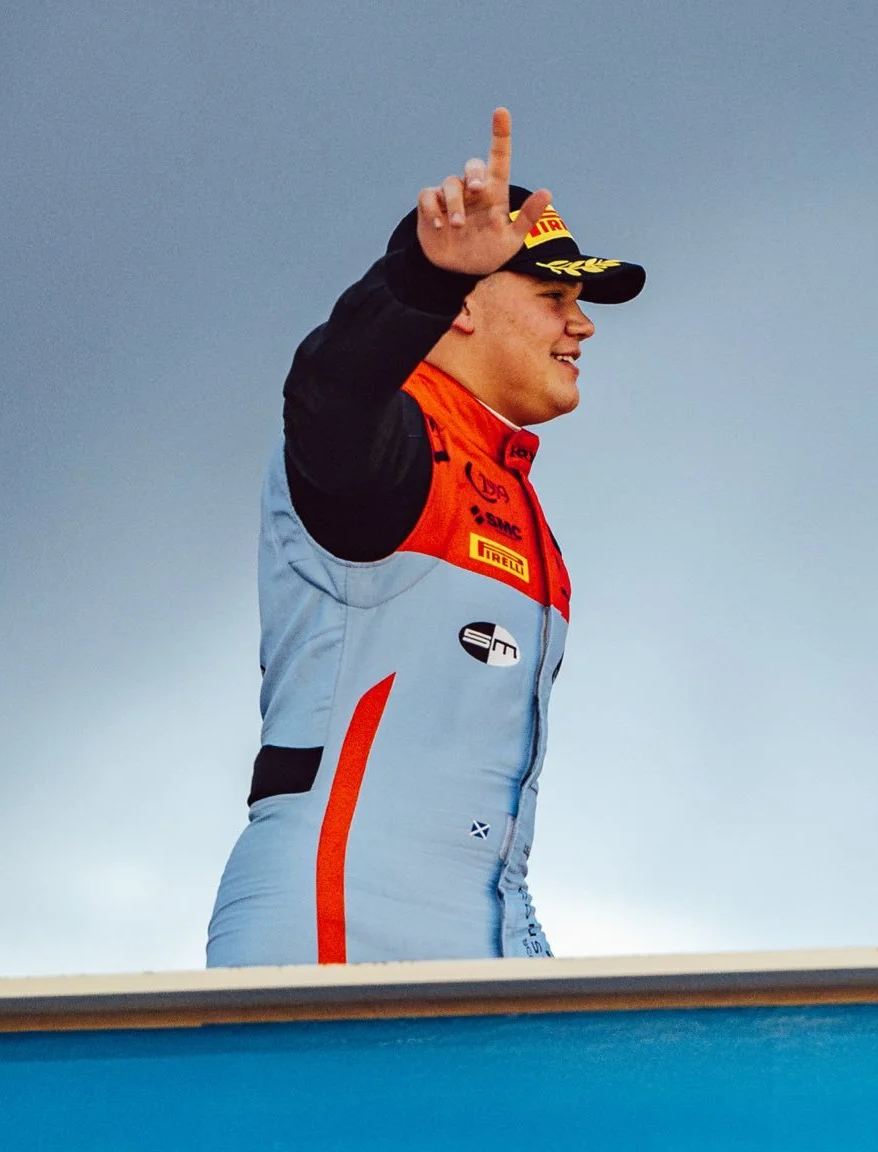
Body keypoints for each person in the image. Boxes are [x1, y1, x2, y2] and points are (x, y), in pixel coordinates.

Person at [207, 109, 645, 966]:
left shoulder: (511, 489)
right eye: (554, 298)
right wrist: (421, 278)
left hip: (486, 926)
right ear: (464, 308)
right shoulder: (390, 447)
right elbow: (326, 395)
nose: (583, 325)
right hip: (336, 916)